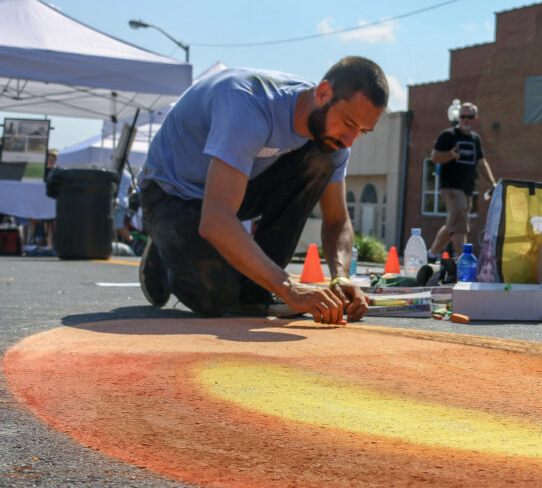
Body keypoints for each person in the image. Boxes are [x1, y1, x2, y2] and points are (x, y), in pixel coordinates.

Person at [137, 57, 388, 324]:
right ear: (323, 93)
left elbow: (337, 219)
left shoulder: (333, 139)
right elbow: (216, 219)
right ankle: (165, 253)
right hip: (171, 195)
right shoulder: (248, 105)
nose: (349, 140)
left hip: (233, 190)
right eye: (349, 123)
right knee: (215, 296)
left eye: (363, 131)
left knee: (321, 158)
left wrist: (340, 277)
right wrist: (289, 287)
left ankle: (257, 292)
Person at [427, 102, 497, 259]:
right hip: (451, 187)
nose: (465, 120)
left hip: (467, 188)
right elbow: (435, 157)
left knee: (453, 224)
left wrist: (493, 184)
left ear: (475, 119)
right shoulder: (448, 135)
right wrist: (451, 154)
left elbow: (481, 163)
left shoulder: (475, 139)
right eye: (463, 116)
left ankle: (431, 254)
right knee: (460, 227)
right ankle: (463, 263)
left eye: (469, 117)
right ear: (459, 118)